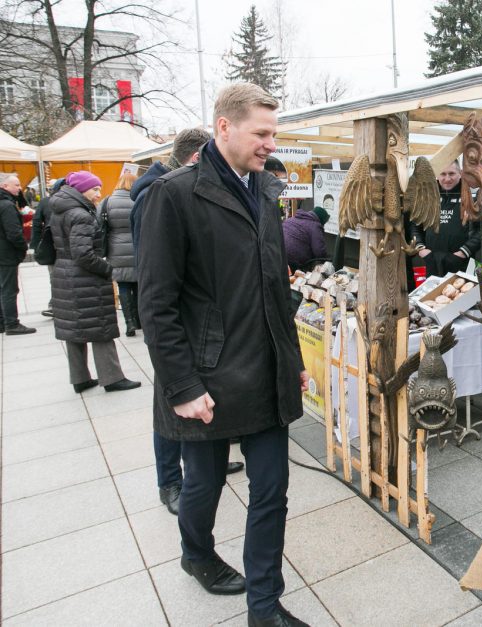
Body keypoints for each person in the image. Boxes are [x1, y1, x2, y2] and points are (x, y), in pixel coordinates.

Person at [138, 83, 309, 627]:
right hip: (206, 375)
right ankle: (196, 554)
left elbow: (274, 284)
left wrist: (294, 357)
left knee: (272, 489)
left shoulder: (264, 189)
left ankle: (264, 606)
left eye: (273, 134)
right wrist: (183, 388)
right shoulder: (173, 194)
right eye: (261, 133)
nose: (269, 143)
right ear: (223, 128)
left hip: (264, 370)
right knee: (204, 486)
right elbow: (156, 303)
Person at [130, 127, 242, 517]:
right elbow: (157, 281)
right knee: (172, 403)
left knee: (201, 409)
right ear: (197, 157)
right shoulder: (159, 194)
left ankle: (208, 458)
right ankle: (170, 481)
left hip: (203, 325)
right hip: (177, 327)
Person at [49, 171, 140, 393]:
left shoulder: (60, 209)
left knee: (73, 329)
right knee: (101, 326)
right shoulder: (80, 214)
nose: (99, 193)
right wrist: (108, 269)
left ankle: (79, 378)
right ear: (81, 189)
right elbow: (83, 254)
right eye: (95, 189)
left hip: (64, 274)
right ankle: (112, 378)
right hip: (84, 278)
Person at [407, 160, 482, 277]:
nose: (447, 179)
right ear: (437, 175)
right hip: (433, 262)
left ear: (461, 173)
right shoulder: (427, 196)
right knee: (433, 295)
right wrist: (421, 248)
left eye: (451, 174)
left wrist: (464, 252)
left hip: (462, 263)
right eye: (443, 174)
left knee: (461, 295)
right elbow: (415, 225)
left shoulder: (474, 195)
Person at [101, 171, 140, 336]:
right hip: (137, 247)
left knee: (123, 286)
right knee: (138, 285)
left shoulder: (107, 202)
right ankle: (140, 320)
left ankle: (129, 322)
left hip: (116, 249)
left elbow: (100, 225)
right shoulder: (138, 200)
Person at [0, 173, 34, 335]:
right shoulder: (6, 205)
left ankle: (3, 322)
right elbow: (14, 233)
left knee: (3, 288)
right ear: (5, 186)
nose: (20, 188)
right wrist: (22, 248)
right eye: (16, 185)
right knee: (9, 289)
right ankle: (12, 324)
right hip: (6, 253)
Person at [31, 178, 65, 317]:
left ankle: (56, 305)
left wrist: (37, 244)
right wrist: (37, 244)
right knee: (56, 276)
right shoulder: (47, 202)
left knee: (55, 276)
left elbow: (37, 222)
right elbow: (37, 222)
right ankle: (56, 304)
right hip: (55, 246)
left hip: (53, 245)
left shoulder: (46, 202)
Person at [281, 205, 327, 271]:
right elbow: (320, 252)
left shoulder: (291, 219)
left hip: (278, 254)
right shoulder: (315, 226)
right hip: (294, 262)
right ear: (321, 220)